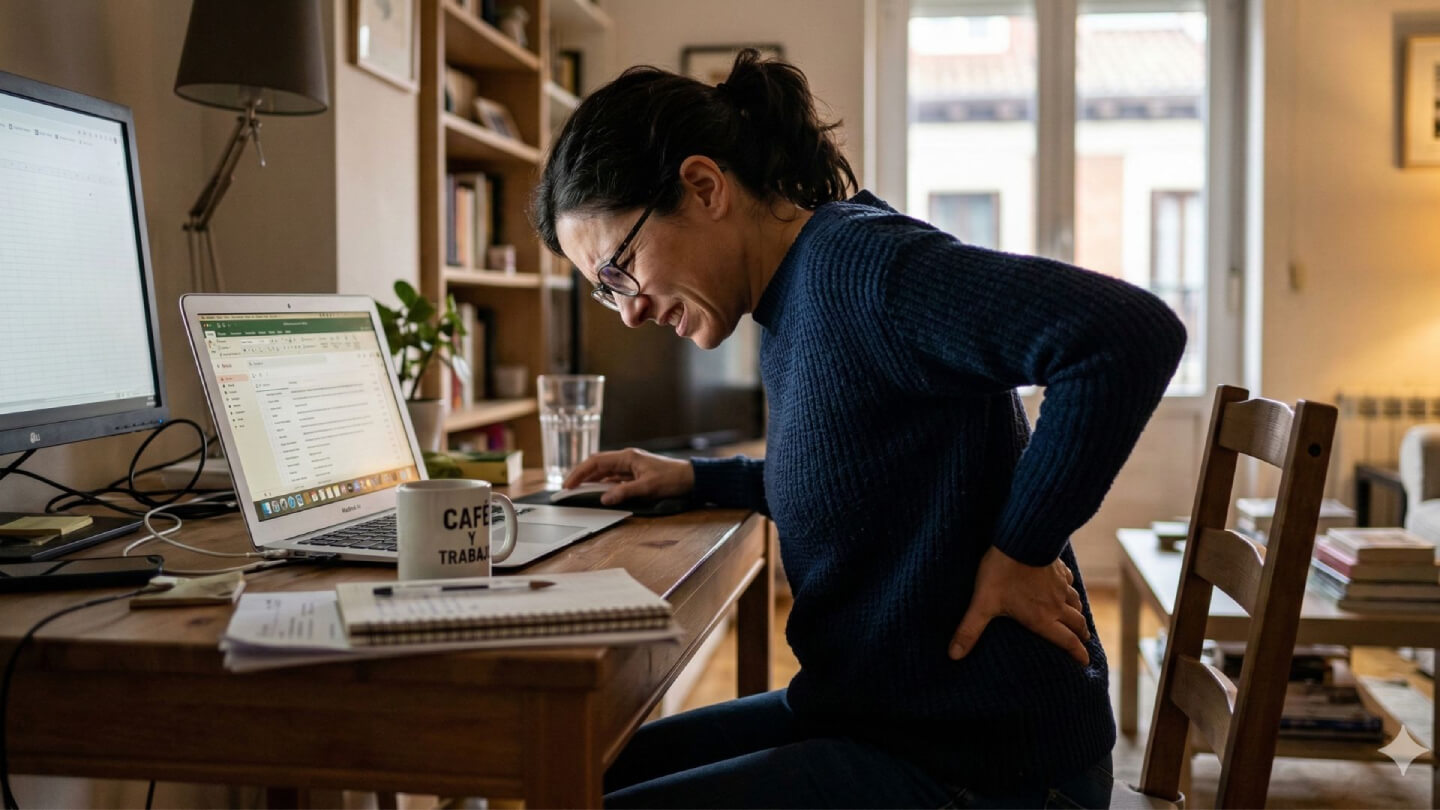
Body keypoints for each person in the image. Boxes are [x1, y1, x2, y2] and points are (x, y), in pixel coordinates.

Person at [531, 48, 1185, 809]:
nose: (632, 309)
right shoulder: (788, 299)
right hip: (879, 721)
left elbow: (1126, 334)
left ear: (704, 187)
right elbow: (859, 470)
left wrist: (1023, 547)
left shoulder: (862, 268)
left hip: (986, 765)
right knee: (581, 770)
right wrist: (696, 477)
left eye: (621, 269)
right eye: (609, 294)